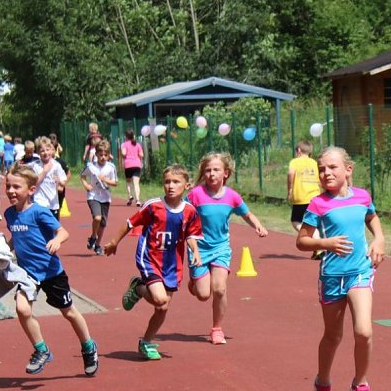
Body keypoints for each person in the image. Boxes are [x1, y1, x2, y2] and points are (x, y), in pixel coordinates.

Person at [296, 146, 386, 391]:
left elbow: (372, 218)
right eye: (322, 169)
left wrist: (379, 239)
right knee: (333, 336)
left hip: (360, 272)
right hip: (332, 276)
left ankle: (360, 382)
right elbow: (301, 240)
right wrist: (325, 243)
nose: (326, 173)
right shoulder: (317, 204)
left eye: (332, 167)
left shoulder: (362, 196)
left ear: (348, 170)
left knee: (364, 331)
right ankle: (322, 384)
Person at [3, 163, 99, 376]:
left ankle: (88, 346)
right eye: (8, 186)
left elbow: (63, 232)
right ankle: (41, 350)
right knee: (22, 309)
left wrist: (57, 241)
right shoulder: (9, 214)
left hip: (51, 272)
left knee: (69, 312)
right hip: (28, 273)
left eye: (16, 187)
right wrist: (5, 250)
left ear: (31, 190)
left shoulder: (39, 212)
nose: (10, 191)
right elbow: (17, 237)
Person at [104, 164, 203, 361]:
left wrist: (195, 251)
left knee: (162, 307)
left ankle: (146, 342)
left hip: (172, 265)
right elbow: (130, 223)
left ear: (187, 185)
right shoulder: (153, 206)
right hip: (149, 258)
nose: (170, 186)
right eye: (167, 182)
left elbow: (191, 235)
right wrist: (114, 242)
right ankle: (140, 287)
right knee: (160, 299)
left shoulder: (190, 211)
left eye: (176, 182)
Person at [186, 153, 268, 345]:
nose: (212, 174)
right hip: (199, 249)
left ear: (226, 173)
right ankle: (194, 284)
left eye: (216, 170)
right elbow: (183, 214)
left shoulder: (232, 196)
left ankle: (217, 329)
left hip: (221, 248)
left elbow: (246, 213)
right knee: (204, 295)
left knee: (220, 289)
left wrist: (258, 225)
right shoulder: (196, 194)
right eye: (208, 170)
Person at [80, 140, 118, 256]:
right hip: (93, 196)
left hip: (105, 198)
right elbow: (82, 175)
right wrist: (86, 185)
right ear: (96, 154)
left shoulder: (111, 167)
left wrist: (105, 180)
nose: (103, 157)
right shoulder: (91, 167)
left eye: (105, 155)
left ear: (109, 155)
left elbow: (115, 183)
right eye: (100, 155)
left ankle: (97, 244)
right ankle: (92, 236)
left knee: (102, 223)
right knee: (97, 217)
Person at [287, 140, 323, 260]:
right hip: (315, 196)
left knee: (296, 221)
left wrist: (290, 189)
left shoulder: (295, 162)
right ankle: (317, 248)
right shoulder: (314, 163)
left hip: (301, 197)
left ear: (298, 150)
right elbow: (319, 178)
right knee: (312, 223)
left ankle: (318, 245)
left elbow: (290, 174)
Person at [30, 136, 68, 219]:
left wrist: (60, 182)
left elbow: (64, 181)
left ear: (52, 150)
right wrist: (45, 171)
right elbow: (34, 183)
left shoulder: (56, 165)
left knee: (53, 230)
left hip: (53, 203)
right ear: (38, 153)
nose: (45, 153)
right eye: (42, 151)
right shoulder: (35, 166)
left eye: (47, 150)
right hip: (39, 202)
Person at [120, 129, 144, 207]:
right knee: (136, 183)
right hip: (137, 164)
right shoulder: (137, 144)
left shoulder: (124, 144)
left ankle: (130, 196)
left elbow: (123, 153)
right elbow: (141, 155)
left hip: (128, 164)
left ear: (126, 136)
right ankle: (137, 200)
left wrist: (124, 155)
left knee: (128, 182)